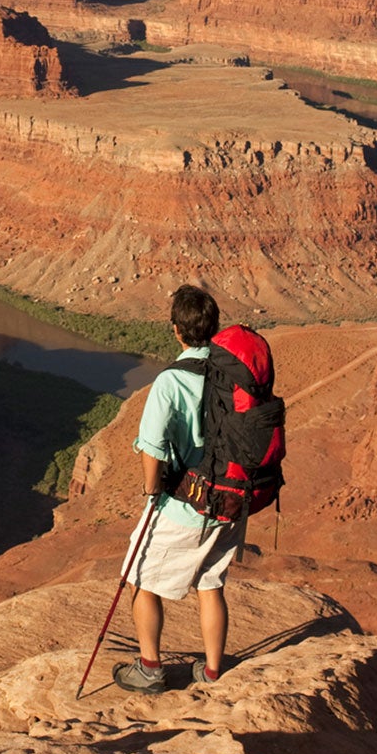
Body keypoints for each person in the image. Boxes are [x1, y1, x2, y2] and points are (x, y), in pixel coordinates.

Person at [113, 283, 240, 693]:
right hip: (231, 500)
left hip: (187, 504)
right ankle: (212, 672)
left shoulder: (170, 381)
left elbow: (152, 447)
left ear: (176, 330)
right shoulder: (234, 373)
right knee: (210, 582)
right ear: (213, 327)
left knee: (141, 578)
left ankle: (150, 669)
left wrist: (152, 490)